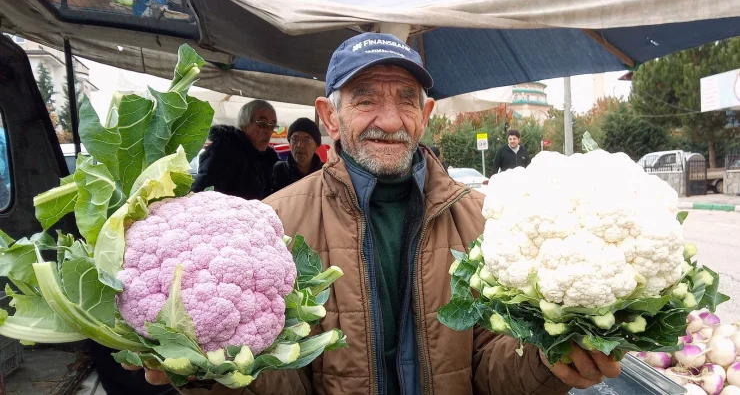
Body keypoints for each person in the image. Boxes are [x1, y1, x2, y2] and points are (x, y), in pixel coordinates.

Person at [131, 33, 620, 394]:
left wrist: (544, 360)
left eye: (406, 99)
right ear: (330, 116)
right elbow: (281, 380)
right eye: (365, 99)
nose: (389, 120)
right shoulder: (274, 226)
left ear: (425, 116)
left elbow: (492, 372)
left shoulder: (487, 223)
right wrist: (208, 371)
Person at [191, 100, 279, 199]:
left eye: (272, 125)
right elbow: (205, 194)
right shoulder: (222, 152)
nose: (268, 131)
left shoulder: (270, 159)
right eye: (262, 123)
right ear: (244, 123)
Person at [272, 117, 324, 192]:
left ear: (316, 145)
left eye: (307, 140)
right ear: (289, 143)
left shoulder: (324, 172)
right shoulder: (278, 170)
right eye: (295, 139)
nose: (300, 145)